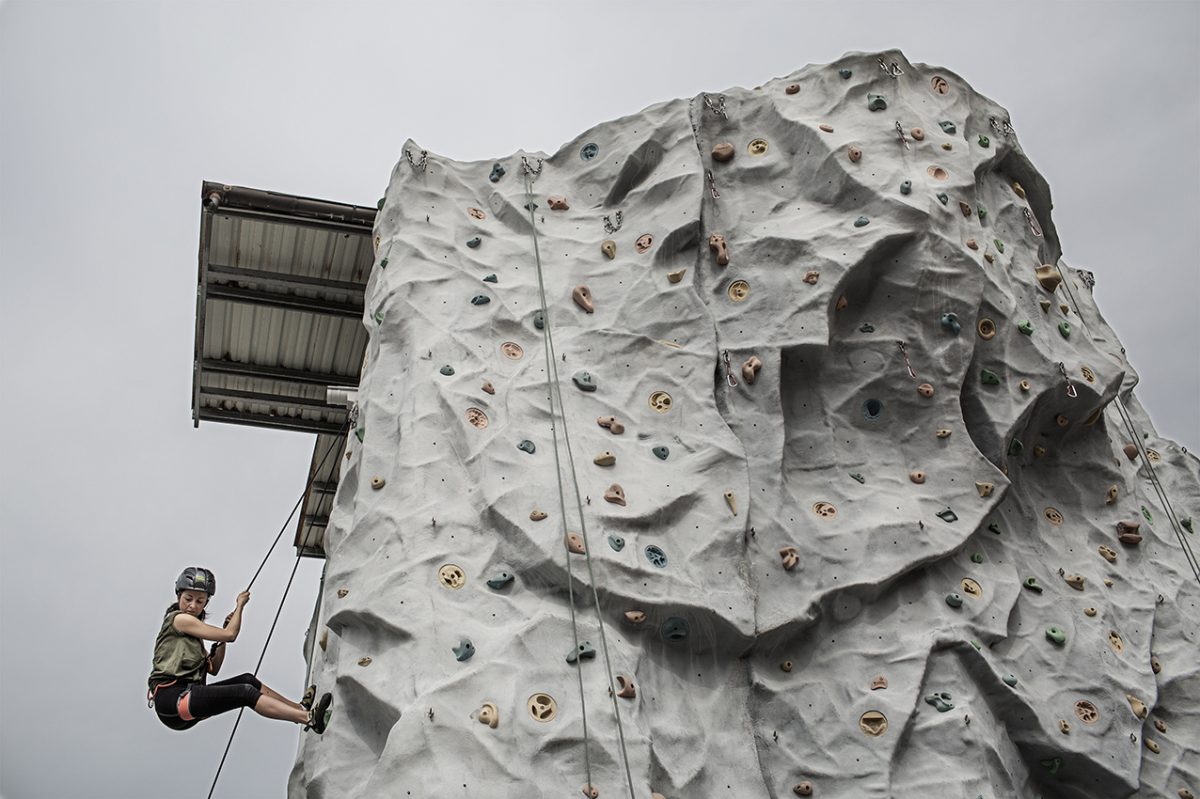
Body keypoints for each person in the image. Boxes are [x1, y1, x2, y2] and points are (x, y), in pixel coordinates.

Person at [148, 567, 332, 733]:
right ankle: (309, 719)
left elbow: (214, 668)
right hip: (172, 700)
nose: (193, 605)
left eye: (200, 601)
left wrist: (221, 642)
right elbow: (230, 634)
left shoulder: (193, 637)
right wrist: (240, 606)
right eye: (188, 599)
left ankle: (300, 709)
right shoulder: (179, 619)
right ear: (179, 596)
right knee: (244, 692)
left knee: (247, 680)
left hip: (186, 701)